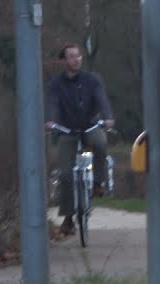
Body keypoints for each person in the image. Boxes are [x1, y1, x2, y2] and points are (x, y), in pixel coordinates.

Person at [44, 43, 114, 236]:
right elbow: (53, 104)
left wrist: (107, 117)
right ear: (64, 61)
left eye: (78, 56)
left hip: (90, 125)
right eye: (72, 56)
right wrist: (51, 121)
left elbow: (101, 99)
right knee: (66, 174)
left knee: (100, 143)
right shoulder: (56, 84)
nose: (76, 60)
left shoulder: (92, 80)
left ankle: (98, 183)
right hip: (67, 129)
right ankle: (68, 219)